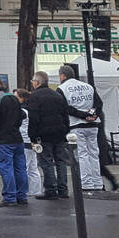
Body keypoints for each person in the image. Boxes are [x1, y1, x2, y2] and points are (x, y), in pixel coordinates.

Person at [25, 71, 71, 200]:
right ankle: (63, 189)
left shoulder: (34, 97)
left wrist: (32, 136)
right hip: (59, 133)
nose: (32, 83)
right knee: (61, 161)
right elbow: (65, 115)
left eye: (33, 81)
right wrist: (65, 130)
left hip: (44, 134)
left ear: (37, 82)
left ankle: (51, 189)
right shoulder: (57, 95)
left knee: (47, 161)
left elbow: (33, 119)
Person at [57, 66, 103, 190]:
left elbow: (66, 108)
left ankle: (87, 183)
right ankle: (97, 181)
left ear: (62, 76)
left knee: (82, 154)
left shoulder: (62, 89)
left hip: (76, 124)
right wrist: (93, 114)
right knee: (94, 153)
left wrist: (83, 115)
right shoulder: (88, 86)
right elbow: (98, 103)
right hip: (93, 125)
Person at [0, 75, 28, 207]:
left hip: (2, 139)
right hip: (17, 138)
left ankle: (10, 197)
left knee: (6, 168)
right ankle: (22, 195)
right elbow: (21, 116)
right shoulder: (13, 97)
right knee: (20, 168)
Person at [14, 89, 44, 197]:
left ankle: (23, 191)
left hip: (24, 140)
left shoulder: (22, 111)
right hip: (31, 141)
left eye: (16, 97)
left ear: (22, 98)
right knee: (33, 168)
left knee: (24, 168)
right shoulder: (31, 110)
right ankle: (35, 191)